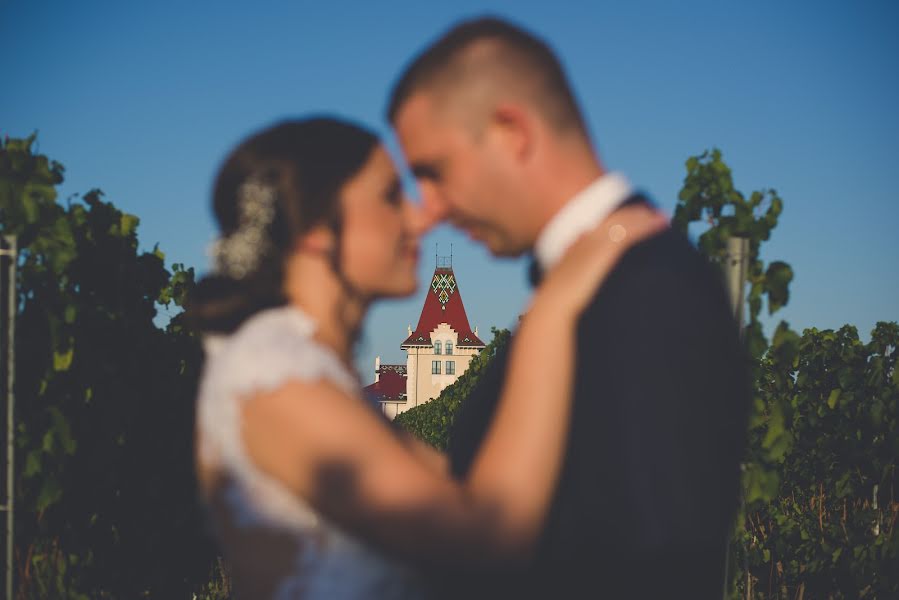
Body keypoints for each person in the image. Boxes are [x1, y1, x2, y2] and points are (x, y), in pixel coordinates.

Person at [189, 117, 665, 599]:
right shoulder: (273, 371)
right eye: (391, 195)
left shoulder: (322, 376)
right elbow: (485, 540)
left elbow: (468, 487)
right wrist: (552, 310)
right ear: (315, 228)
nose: (420, 218)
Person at [387, 17, 751, 598]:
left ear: (511, 131)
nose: (427, 209)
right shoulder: (603, 283)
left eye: (434, 171)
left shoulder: (647, 292)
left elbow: (654, 563)